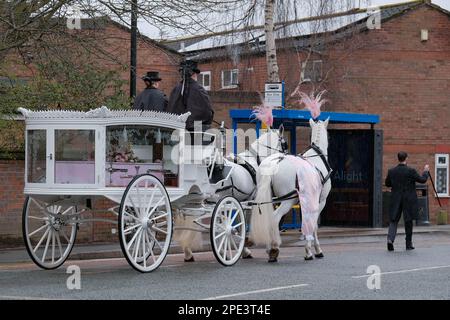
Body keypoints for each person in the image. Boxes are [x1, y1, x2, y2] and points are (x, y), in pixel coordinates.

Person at [385, 151, 429, 251]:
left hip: (396, 198)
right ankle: (408, 244)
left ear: (398, 158)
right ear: (406, 158)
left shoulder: (392, 171)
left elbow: (387, 183)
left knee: (393, 220)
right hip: (408, 199)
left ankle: (390, 240)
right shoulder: (411, 171)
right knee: (408, 221)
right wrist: (425, 171)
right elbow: (422, 180)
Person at [167, 60, 214, 131]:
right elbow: (207, 112)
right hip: (196, 129)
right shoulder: (199, 89)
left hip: (176, 129)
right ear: (194, 74)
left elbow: (170, 110)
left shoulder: (175, 89)